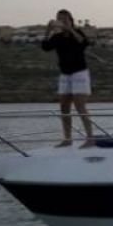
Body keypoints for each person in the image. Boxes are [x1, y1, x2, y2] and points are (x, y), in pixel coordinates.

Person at [41, 9, 95, 147]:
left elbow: (83, 43)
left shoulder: (77, 33)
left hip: (79, 72)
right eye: (59, 19)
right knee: (64, 106)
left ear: (70, 20)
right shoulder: (57, 37)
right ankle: (67, 139)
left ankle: (90, 138)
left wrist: (70, 29)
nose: (62, 22)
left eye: (65, 19)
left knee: (79, 105)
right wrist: (48, 30)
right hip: (65, 73)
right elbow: (45, 47)